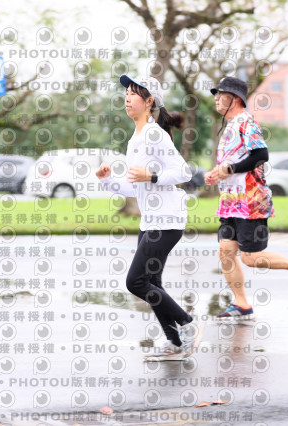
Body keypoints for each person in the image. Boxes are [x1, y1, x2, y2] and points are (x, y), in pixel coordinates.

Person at [95, 74, 200, 361]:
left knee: (136, 282)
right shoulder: (136, 139)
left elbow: (183, 172)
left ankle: (187, 324)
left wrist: (151, 175)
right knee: (153, 283)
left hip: (166, 221)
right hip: (151, 221)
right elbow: (136, 187)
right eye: (126, 94)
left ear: (149, 101)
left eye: (133, 93)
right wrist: (108, 180)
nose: (127, 98)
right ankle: (175, 342)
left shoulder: (155, 134)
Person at [204, 77, 288, 320]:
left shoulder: (246, 123)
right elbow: (233, 162)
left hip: (251, 202)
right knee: (225, 252)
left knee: (251, 258)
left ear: (235, 99)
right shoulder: (230, 126)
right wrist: (217, 174)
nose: (216, 98)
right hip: (231, 202)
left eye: (220, 94)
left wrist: (229, 169)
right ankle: (242, 304)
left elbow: (260, 155)